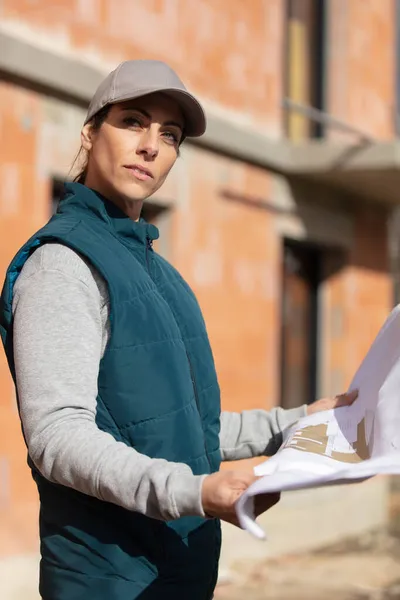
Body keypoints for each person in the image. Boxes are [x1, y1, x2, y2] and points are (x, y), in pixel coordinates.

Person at [0, 60, 357, 600]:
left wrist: (297, 422)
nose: (151, 145)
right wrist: (194, 492)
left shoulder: (160, 274)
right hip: (108, 581)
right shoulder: (63, 264)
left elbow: (181, 430)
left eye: (169, 135)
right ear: (91, 131)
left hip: (177, 575)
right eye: (133, 122)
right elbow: (58, 438)